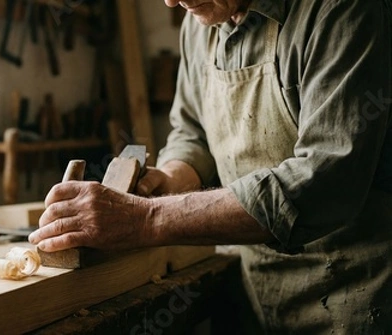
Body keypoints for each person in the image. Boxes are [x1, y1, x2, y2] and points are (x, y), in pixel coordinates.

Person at [29, 0, 392, 333]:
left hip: (353, 290)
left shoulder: (342, 10)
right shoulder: (202, 17)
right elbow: (192, 132)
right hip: (255, 285)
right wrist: (170, 179)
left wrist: (146, 219)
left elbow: (324, 182)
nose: (172, 1)